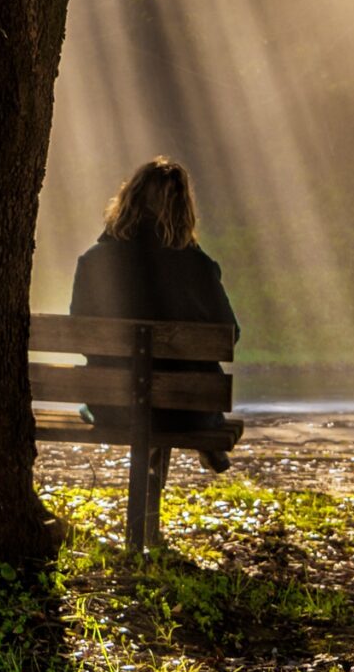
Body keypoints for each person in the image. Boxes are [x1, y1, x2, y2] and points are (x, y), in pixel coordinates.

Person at [69, 156, 239, 486]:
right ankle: (207, 440)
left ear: (128, 201)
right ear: (183, 210)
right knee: (180, 391)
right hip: (188, 412)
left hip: (113, 404)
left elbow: (78, 333)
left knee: (141, 396)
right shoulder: (197, 266)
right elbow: (230, 334)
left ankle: (147, 463)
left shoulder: (94, 261)